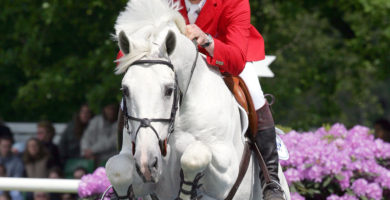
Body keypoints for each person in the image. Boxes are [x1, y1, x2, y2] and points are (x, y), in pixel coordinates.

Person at [117, 0, 284, 199]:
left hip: (222, 59)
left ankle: (271, 180)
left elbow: (237, 60)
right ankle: (125, 165)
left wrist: (206, 40)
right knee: (132, 95)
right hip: (168, 65)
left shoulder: (234, 2)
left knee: (255, 93)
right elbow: (128, 48)